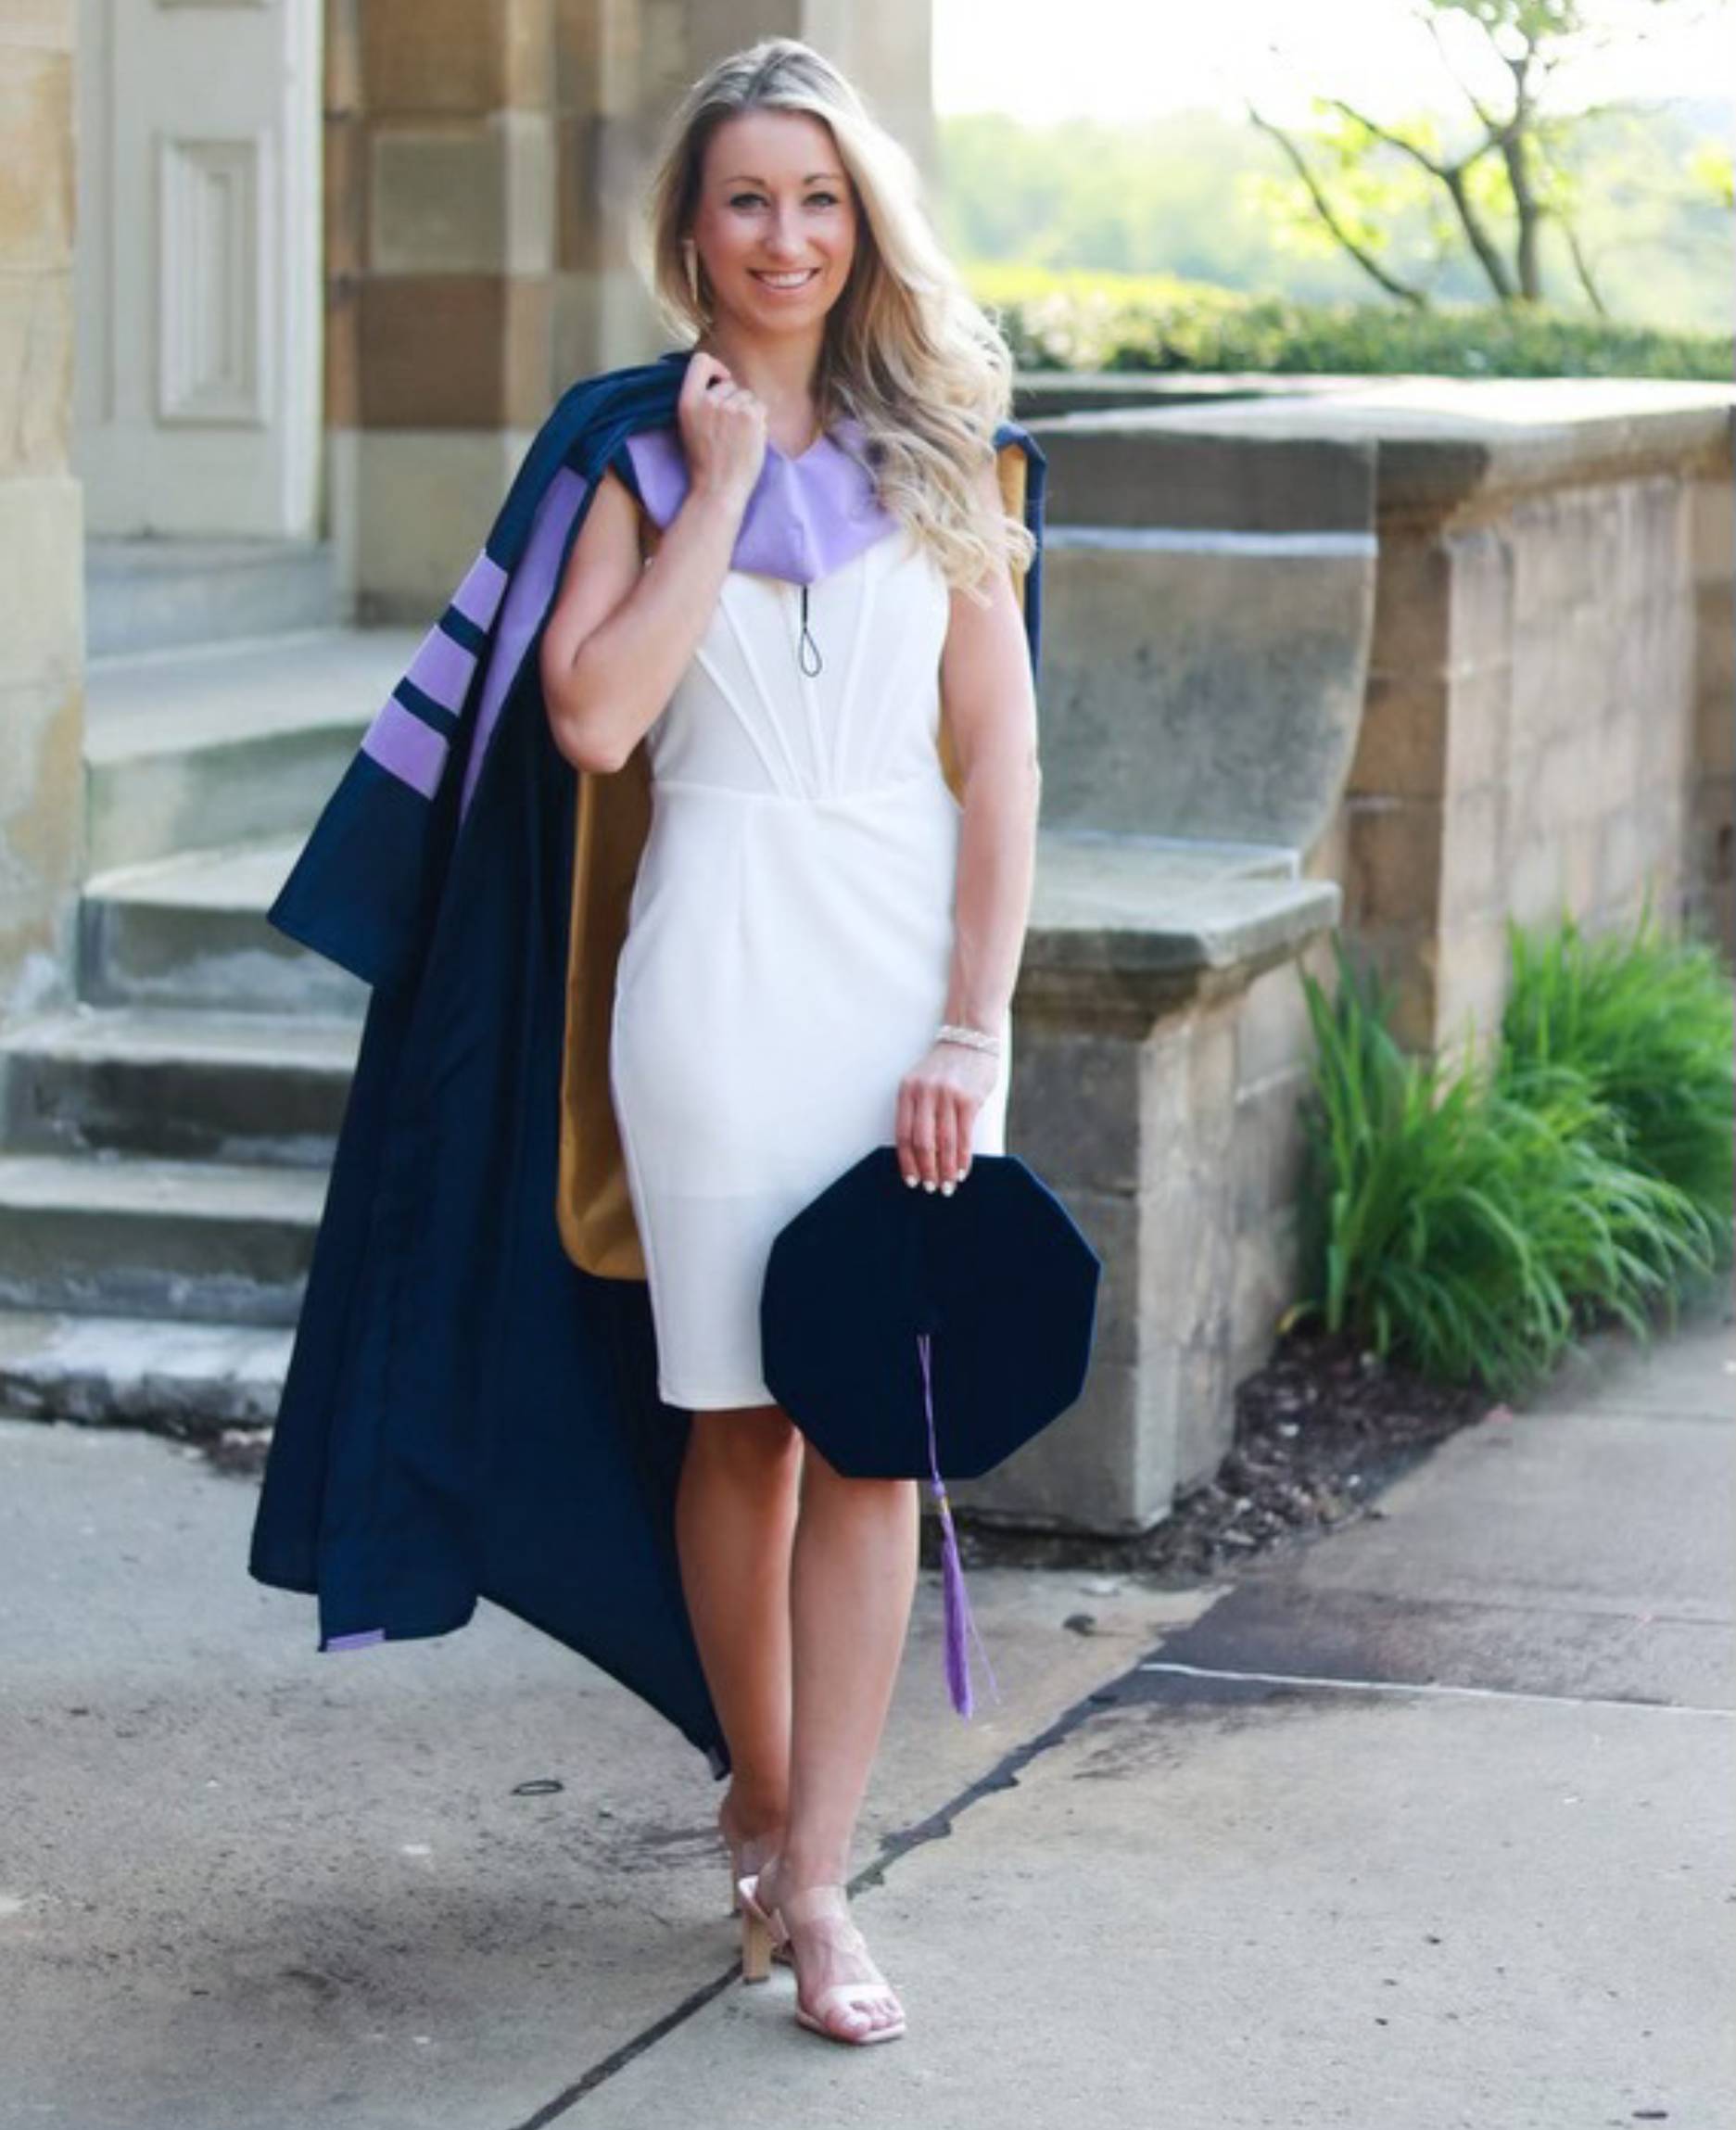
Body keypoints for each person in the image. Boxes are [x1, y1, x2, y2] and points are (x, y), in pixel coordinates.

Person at [538, 39, 1041, 2045]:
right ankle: (754, 1788)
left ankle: (819, 1883)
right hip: (720, 973)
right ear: (689, 233)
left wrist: (968, 1016)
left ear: (864, 225)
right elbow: (594, 717)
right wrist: (722, 482)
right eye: (747, 198)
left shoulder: (955, 456)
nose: (786, 235)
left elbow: (999, 765)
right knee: (741, 1420)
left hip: (906, 982)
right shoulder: (629, 459)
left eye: (819, 199)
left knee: (873, 1438)